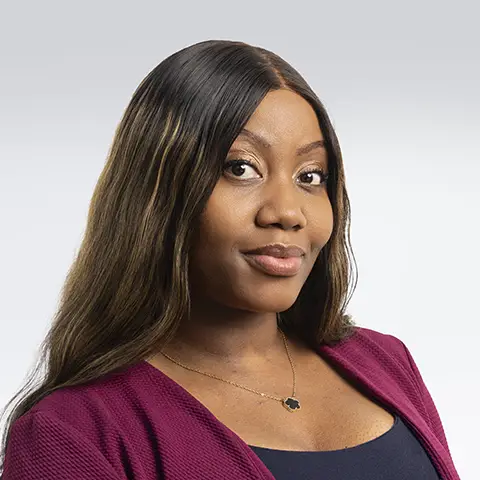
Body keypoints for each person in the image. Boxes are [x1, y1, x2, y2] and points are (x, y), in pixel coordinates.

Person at [0, 40, 460, 480]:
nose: (287, 212)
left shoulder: (385, 362)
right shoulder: (72, 435)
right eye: (240, 168)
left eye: (310, 176)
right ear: (157, 191)